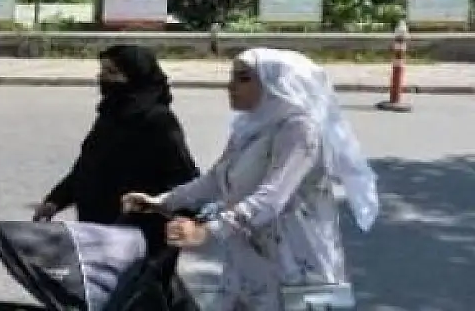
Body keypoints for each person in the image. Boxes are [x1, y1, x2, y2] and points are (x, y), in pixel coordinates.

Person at [123, 48, 379, 311]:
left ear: (275, 84)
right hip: (248, 255)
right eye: (232, 77)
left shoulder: (299, 129)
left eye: (244, 78)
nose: (231, 86)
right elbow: (216, 179)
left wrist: (206, 231)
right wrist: (163, 202)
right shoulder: (249, 126)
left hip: (291, 259)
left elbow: (272, 197)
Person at [33, 44, 201, 307]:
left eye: (112, 73)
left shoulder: (158, 121)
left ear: (135, 77)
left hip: (138, 233)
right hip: (99, 229)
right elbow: (87, 165)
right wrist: (56, 200)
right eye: (102, 72)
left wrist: (173, 218)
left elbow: (184, 176)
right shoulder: (110, 114)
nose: (103, 79)